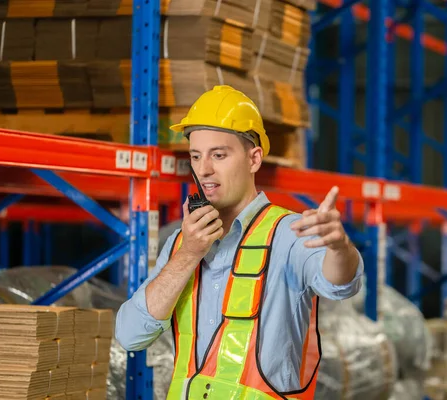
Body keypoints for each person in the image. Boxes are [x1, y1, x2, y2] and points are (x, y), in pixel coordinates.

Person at [115, 85, 364, 399]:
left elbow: (342, 284)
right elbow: (129, 335)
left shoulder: (288, 234)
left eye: (219, 155)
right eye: (196, 156)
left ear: (254, 158)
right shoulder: (182, 243)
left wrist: (340, 246)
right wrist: (188, 254)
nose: (204, 169)